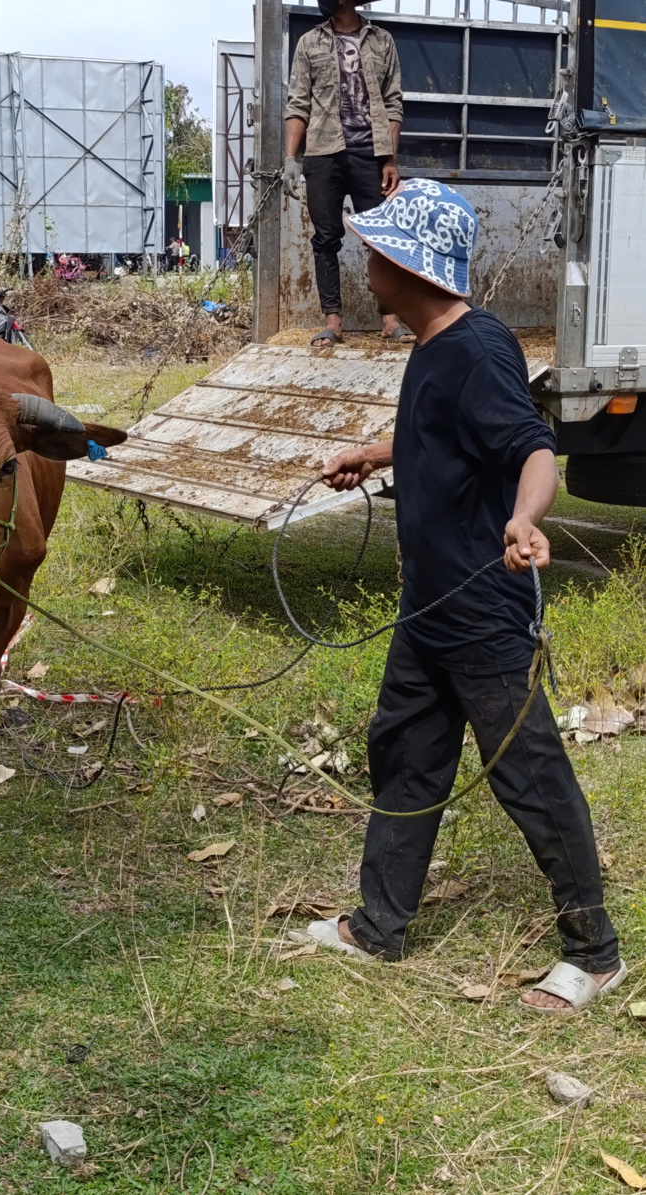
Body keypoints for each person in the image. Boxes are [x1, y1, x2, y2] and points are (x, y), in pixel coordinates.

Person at [302, 179, 625, 1014]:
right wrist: (374, 455)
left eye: (374, 249)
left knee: (529, 773)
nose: (364, 260)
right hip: (429, 610)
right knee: (406, 753)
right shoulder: (433, 344)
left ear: (405, 262)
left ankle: (595, 954)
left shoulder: (477, 349)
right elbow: (433, 432)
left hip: (483, 612)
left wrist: (524, 520)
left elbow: (533, 446)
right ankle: (380, 923)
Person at [284, 0, 412, 346]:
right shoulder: (309, 43)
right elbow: (298, 102)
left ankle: (390, 319)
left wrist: (390, 159)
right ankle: (333, 322)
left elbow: (392, 102)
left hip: (370, 153)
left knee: (381, 238)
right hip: (323, 154)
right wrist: (291, 158)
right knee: (326, 239)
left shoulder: (381, 40)